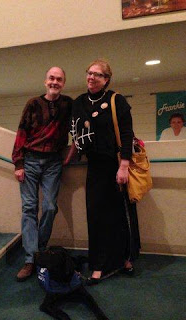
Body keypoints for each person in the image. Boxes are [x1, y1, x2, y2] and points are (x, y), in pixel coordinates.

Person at [68, 59, 140, 285]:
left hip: (117, 166)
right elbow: (74, 131)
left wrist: (124, 166)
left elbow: (127, 134)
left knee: (120, 216)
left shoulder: (116, 100)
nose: (91, 77)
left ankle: (124, 259)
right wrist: (70, 156)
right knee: (96, 217)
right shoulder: (79, 102)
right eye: (89, 73)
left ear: (106, 79)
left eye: (97, 75)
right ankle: (98, 264)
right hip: (95, 168)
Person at [12, 67, 72, 281]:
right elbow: (21, 132)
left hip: (53, 163)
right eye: (51, 78)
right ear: (45, 81)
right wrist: (18, 163)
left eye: (59, 79)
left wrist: (74, 149)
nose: (55, 82)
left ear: (63, 83)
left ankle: (39, 249)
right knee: (29, 208)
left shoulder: (68, 104)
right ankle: (31, 259)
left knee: (50, 206)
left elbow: (79, 127)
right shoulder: (33, 104)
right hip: (30, 160)